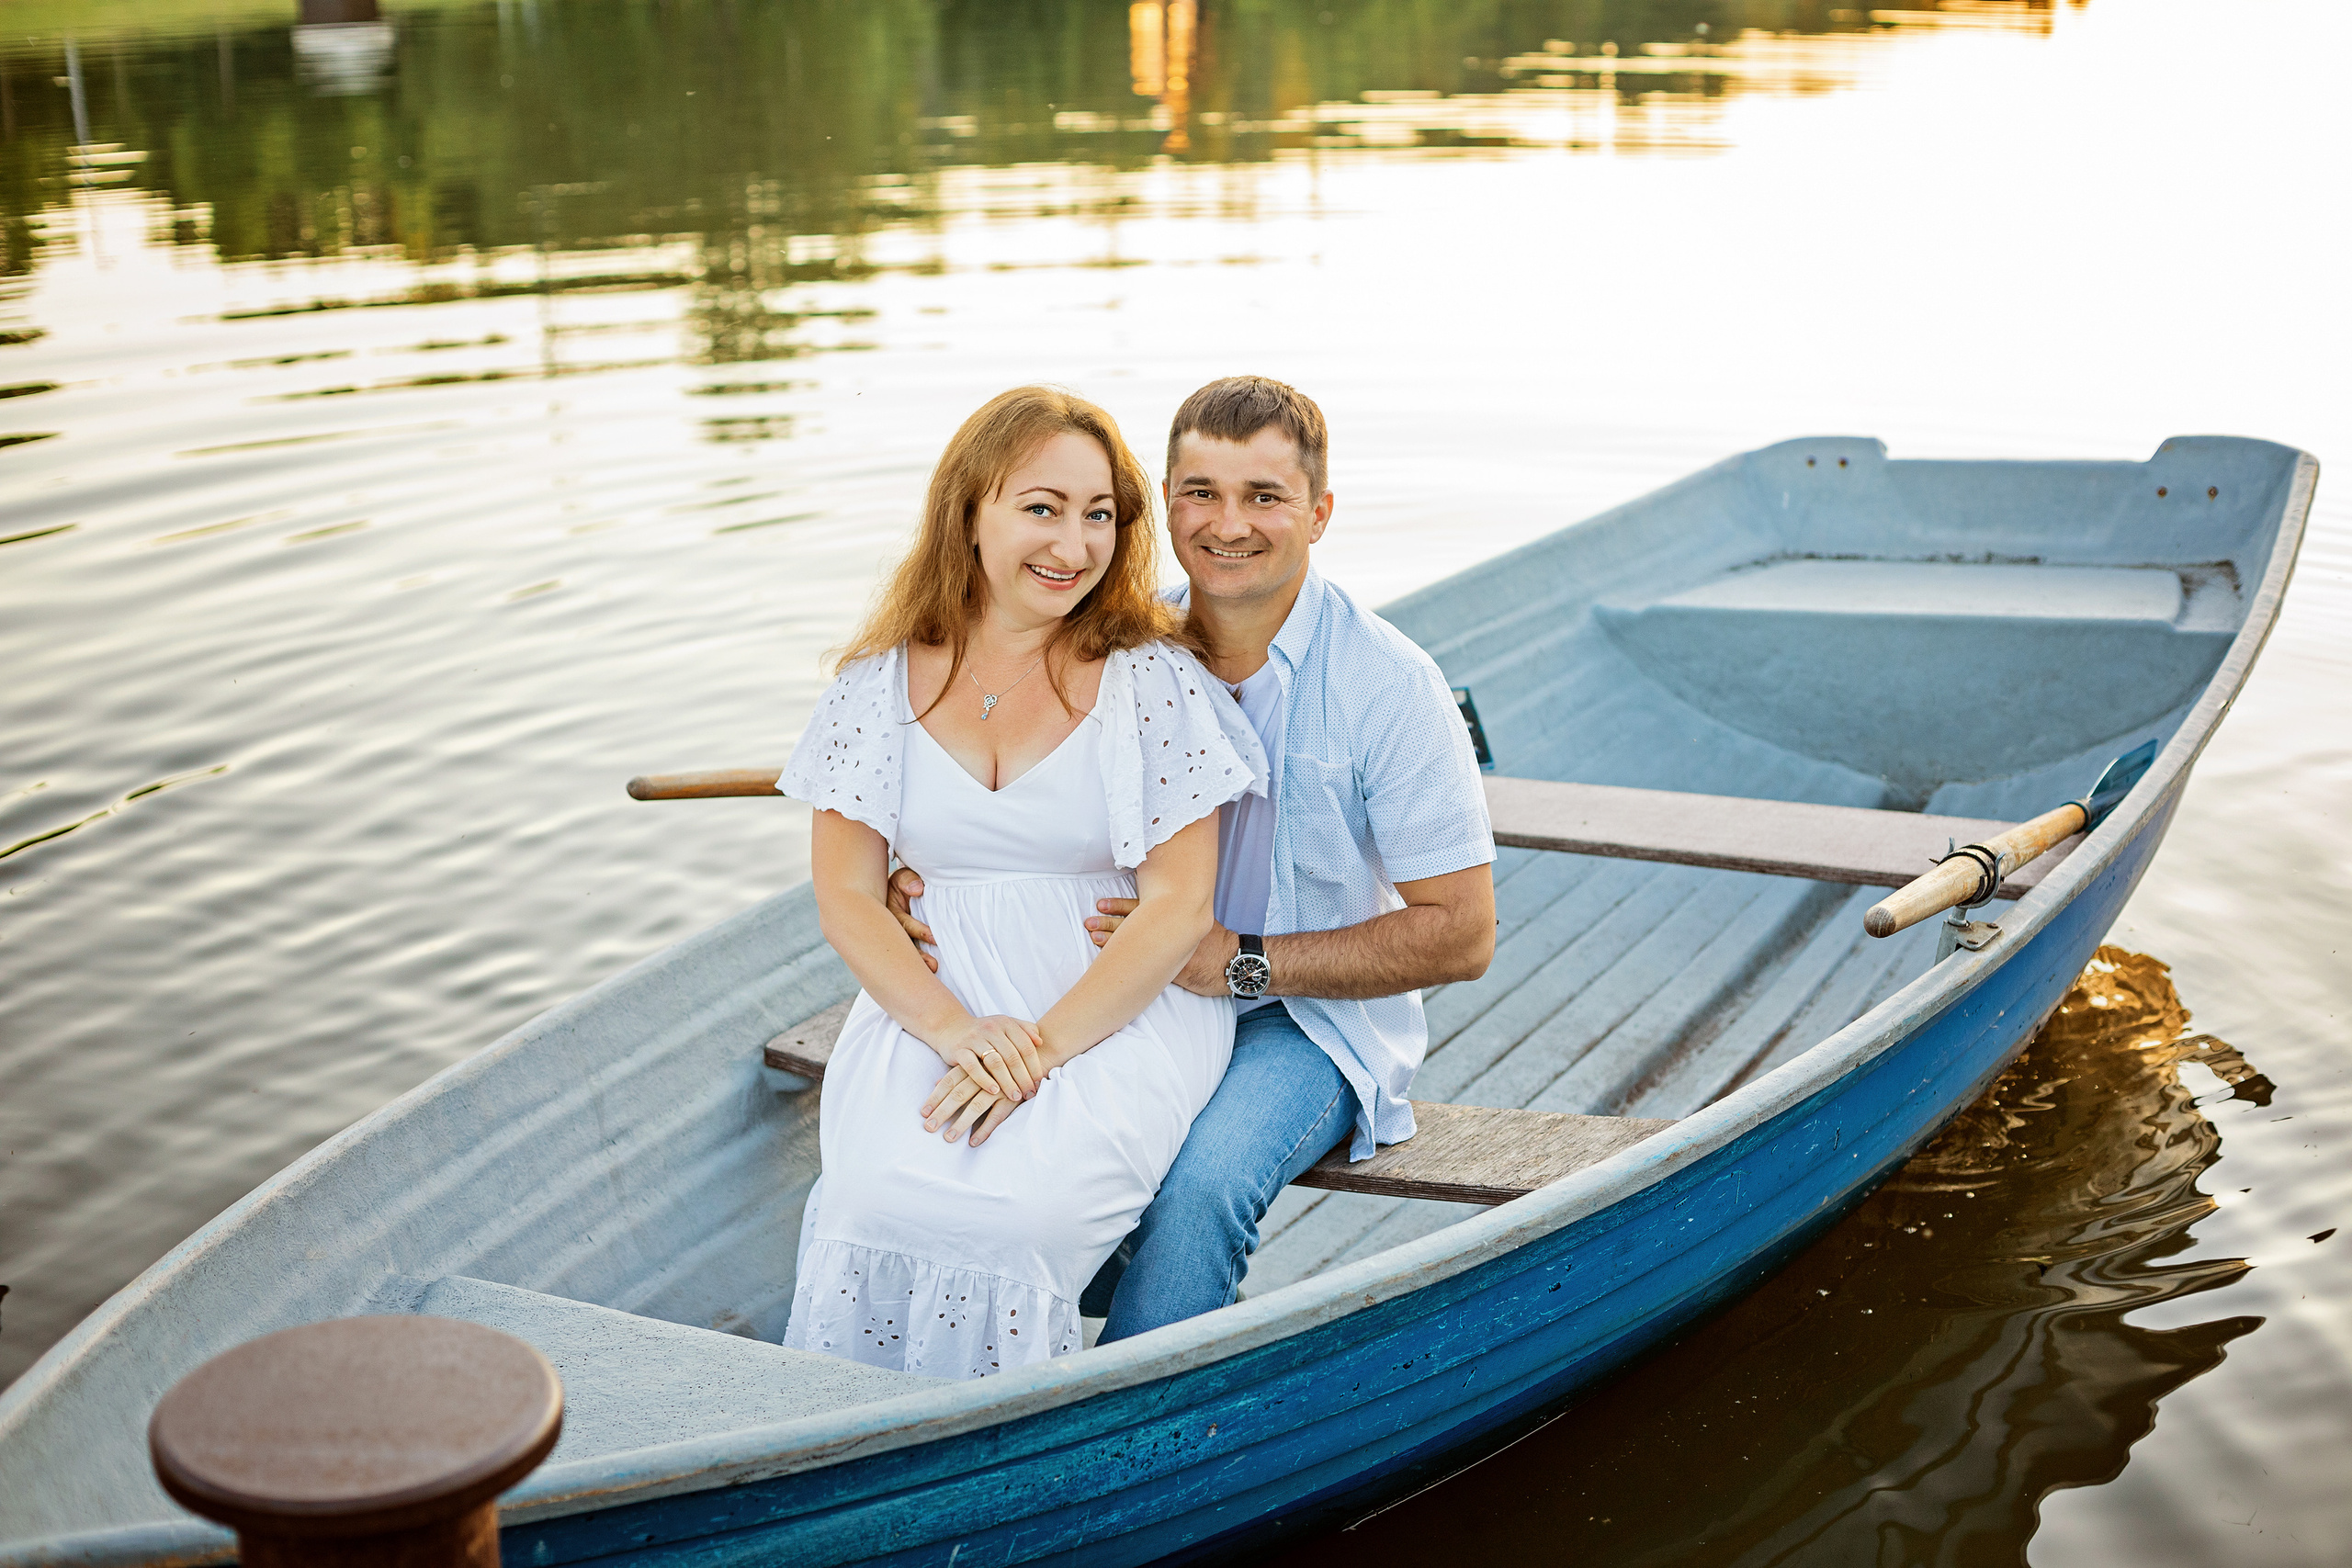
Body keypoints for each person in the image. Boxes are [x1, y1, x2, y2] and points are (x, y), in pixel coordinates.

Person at [892, 376, 1498, 1344]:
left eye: (1264, 496)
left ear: (1319, 512)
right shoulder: (1118, 646)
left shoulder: (1389, 688)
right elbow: (979, 762)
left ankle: (1128, 1434)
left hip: (1301, 1017)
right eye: (1200, 492)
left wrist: (1237, 960)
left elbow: (1462, 936)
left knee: (1197, 1187)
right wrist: (912, 863)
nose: (1228, 525)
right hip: (1128, 976)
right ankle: (1021, 1356)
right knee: (991, 1145)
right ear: (1163, 503)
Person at [776, 386, 1265, 1379]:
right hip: (935, 999)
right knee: (871, 1201)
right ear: (969, 510)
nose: (1074, 545)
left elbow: (1178, 904)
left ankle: (998, 1457)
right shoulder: (876, 685)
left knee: (1022, 1216)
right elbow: (844, 895)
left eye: (1099, 515)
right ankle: (848, 1443)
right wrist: (957, 1030)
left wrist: (1037, 1049)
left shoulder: (1150, 678)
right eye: (1041, 507)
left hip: (1111, 998)